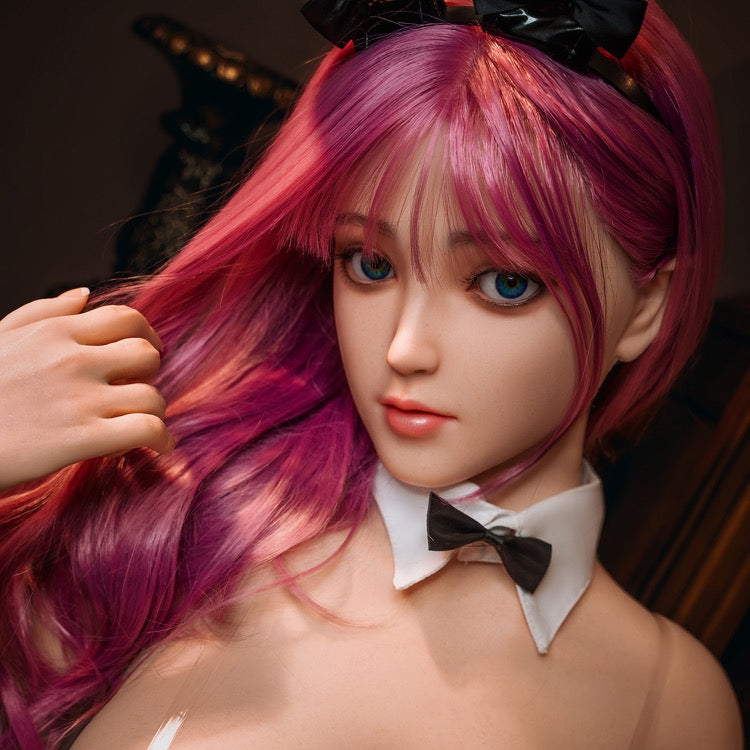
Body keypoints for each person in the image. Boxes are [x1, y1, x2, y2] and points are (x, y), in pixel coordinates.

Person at [0, 1, 743, 747]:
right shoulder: (175, 519)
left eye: (504, 283)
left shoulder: (671, 703)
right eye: (370, 264)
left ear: (647, 305)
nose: (404, 347)